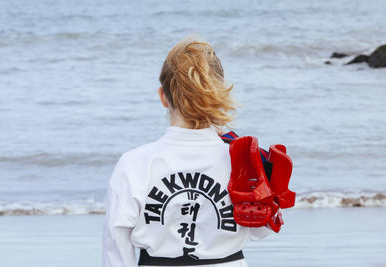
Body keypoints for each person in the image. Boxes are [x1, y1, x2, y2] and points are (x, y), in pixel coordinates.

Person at [102, 38, 272, 267]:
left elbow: (117, 247)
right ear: (217, 95)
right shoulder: (243, 160)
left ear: (163, 96)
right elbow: (260, 230)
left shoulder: (135, 163)